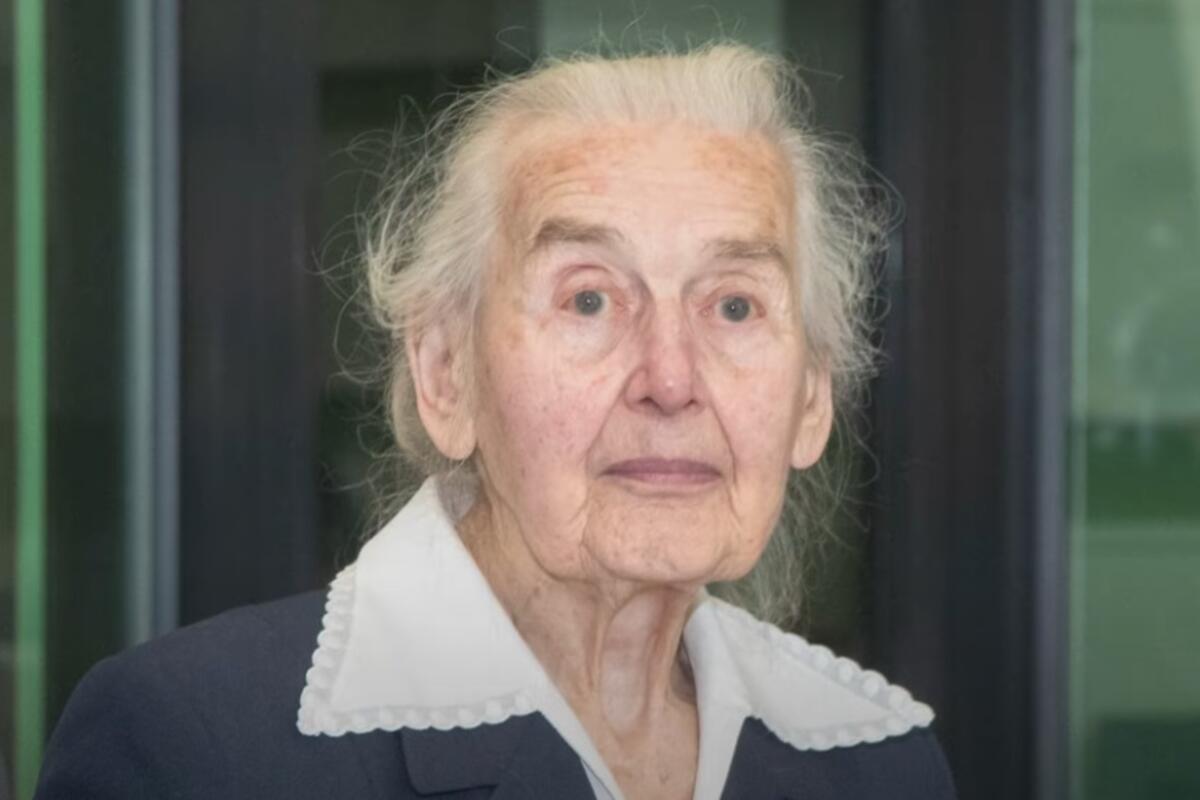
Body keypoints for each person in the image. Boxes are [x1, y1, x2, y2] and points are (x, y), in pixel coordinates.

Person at [36, 44, 956, 799]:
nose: (672, 380)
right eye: (589, 299)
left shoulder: (880, 763)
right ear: (445, 376)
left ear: (810, 399)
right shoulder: (196, 751)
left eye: (736, 306)